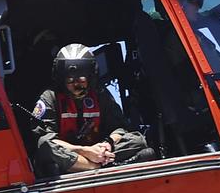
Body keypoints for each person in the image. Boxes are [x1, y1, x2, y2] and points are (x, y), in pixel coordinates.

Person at [30, 43, 152, 177]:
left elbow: (119, 128)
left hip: (99, 151)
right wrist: (85, 151)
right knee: (45, 148)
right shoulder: (50, 97)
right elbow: (46, 139)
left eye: (81, 79)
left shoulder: (100, 94)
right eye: (70, 80)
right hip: (71, 154)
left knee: (137, 139)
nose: (76, 84)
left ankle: (94, 164)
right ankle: (95, 167)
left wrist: (107, 144)